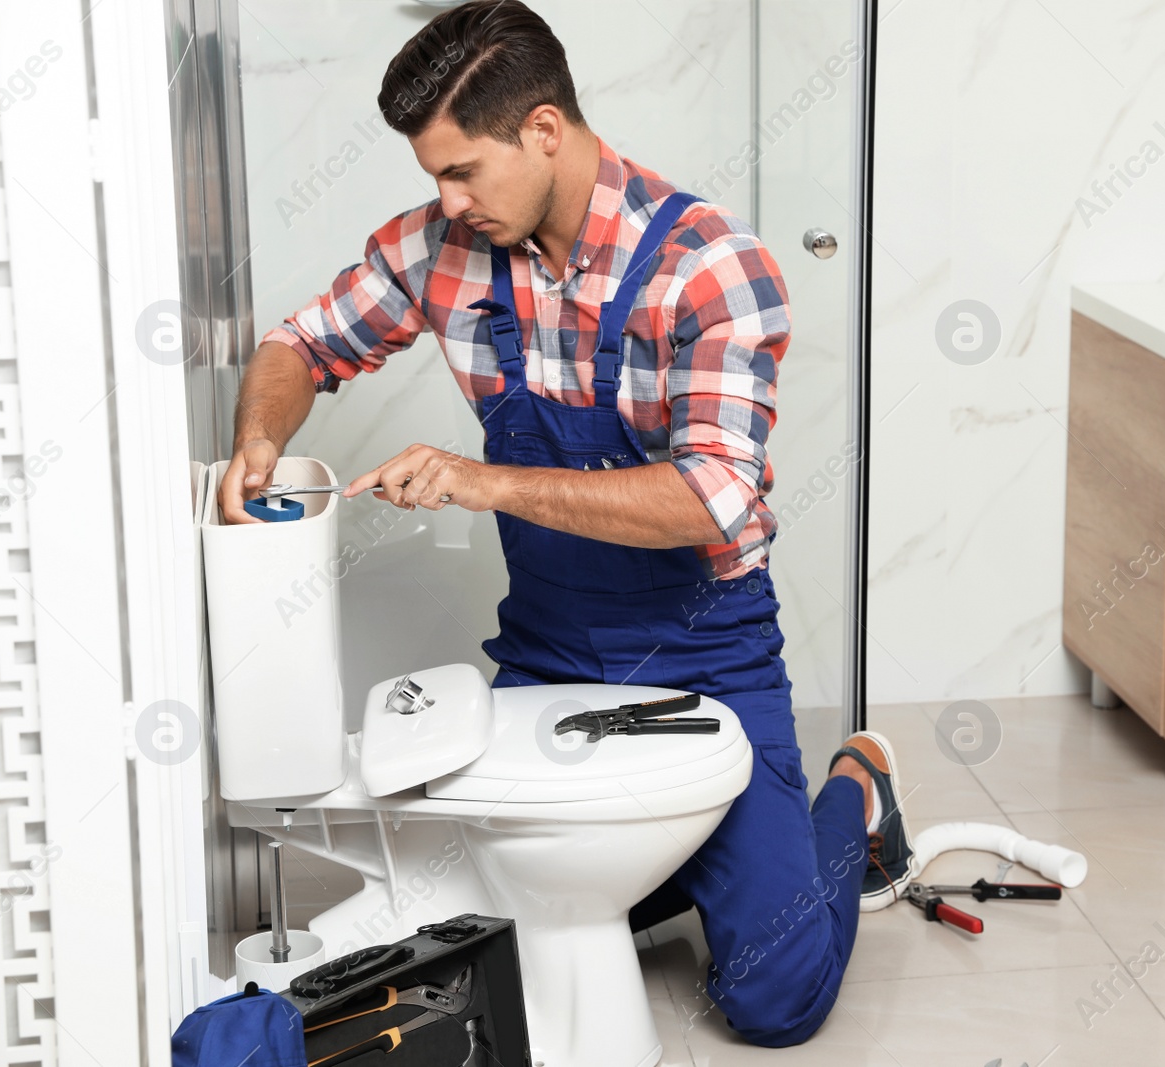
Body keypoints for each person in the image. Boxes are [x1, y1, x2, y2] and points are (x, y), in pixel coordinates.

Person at [216, 0, 915, 1047]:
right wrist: (258, 440)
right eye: (432, 177)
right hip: (552, 646)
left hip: (706, 649)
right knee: (502, 934)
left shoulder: (709, 265)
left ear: (544, 130)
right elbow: (299, 344)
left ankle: (854, 788)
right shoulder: (442, 246)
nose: (446, 200)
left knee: (774, 1000)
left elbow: (711, 497)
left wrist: (479, 479)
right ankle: (686, 854)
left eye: (463, 171)